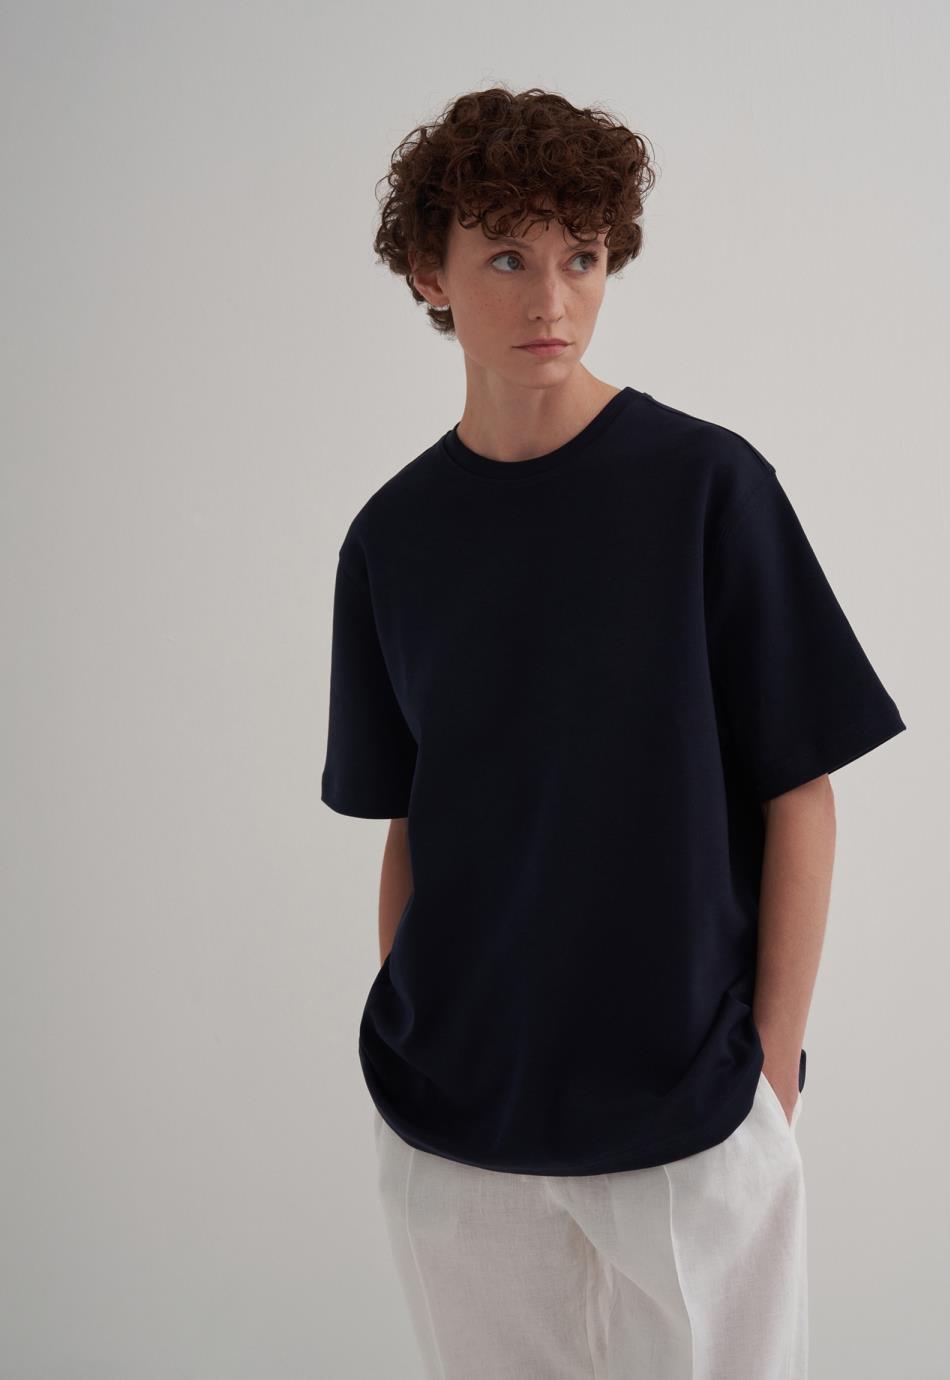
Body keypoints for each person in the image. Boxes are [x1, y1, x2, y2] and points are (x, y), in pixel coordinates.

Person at [321, 85, 906, 1380]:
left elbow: (799, 791)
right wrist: (418, 1035)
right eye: (508, 258)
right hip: (457, 1130)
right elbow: (410, 822)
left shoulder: (706, 489)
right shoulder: (393, 539)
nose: (553, 300)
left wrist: (768, 1074)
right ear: (429, 272)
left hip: (691, 1112)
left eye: (582, 257)